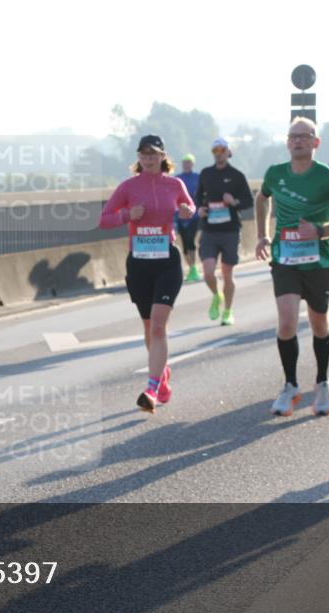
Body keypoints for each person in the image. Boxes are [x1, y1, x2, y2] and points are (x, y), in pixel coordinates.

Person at [255, 118, 329, 416]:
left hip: (318, 262)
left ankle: (322, 381)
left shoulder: (328, 177)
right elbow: (261, 199)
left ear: (315, 142)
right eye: (293, 136)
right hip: (285, 260)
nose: (298, 141)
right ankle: (290, 385)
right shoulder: (275, 174)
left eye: (304, 136)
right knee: (287, 320)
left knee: (319, 323)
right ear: (287, 142)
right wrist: (262, 234)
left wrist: (319, 230)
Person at [101, 134, 195, 413]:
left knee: (157, 324)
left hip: (167, 259)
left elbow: (189, 209)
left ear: (163, 156)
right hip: (140, 263)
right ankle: (161, 376)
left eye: (153, 153)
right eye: (144, 154)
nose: (148, 158)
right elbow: (104, 219)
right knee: (148, 327)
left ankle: (151, 387)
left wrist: (188, 212)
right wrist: (127, 215)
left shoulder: (175, 184)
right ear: (138, 158)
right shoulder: (128, 187)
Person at [195, 137, 254, 326]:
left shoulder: (237, 175)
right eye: (215, 151)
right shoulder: (205, 174)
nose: (219, 154)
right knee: (208, 273)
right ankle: (216, 295)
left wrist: (234, 201)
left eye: (222, 150)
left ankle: (228, 311)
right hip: (210, 230)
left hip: (230, 231)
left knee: (227, 274)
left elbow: (249, 202)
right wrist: (199, 209)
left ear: (229, 152)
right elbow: (197, 198)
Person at [174, 153, 202, 282]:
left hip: (194, 216)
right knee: (185, 244)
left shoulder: (197, 177)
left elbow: (203, 194)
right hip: (180, 217)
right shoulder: (177, 179)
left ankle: (194, 268)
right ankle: (191, 268)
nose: (186, 164)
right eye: (184, 162)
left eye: (189, 162)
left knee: (191, 241)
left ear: (193, 164)